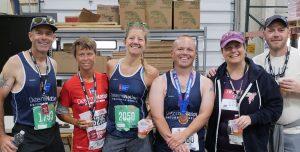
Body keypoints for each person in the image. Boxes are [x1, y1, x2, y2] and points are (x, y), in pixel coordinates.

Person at [205, 31, 283, 152]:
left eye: (237, 46)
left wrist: (253, 118)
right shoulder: (215, 79)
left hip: (252, 147)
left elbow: (275, 108)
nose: (233, 50)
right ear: (222, 52)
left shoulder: (261, 77)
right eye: (228, 48)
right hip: (219, 147)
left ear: (244, 47)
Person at [0, 16, 65, 152]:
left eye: (48, 34)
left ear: (53, 37)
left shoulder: (53, 63)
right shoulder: (15, 63)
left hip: (52, 132)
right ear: (30, 36)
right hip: (27, 135)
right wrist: (1, 136)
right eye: (39, 32)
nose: (44, 37)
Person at [149, 35, 215, 152]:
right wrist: (174, 144)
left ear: (195, 55)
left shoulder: (206, 83)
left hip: (193, 146)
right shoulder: (159, 82)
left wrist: (183, 136)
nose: (185, 53)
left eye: (189, 49)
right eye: (180, 49)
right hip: (166, 146)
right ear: (172, 54)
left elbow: (204, 115)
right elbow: (157, 116)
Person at [102, 22, 159, 152]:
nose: (135, 42)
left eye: (140, 39)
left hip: (139, 137)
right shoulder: (111, 66)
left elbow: (156, 105)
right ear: (125, 41)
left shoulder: (151, 73)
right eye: (131, 38)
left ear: (145, 43)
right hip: (113, 135)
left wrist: (149, 121)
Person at [252, 15, 300, 152]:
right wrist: (214, 72)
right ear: (263, 34)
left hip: (295, 134)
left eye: (280, 30)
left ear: (288, 32)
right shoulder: (256, 62)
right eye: (271, 30)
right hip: (263, 133)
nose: (276, 34)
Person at [56, 37, 109, 151]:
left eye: (89, 54)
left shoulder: (105, 80)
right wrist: (75, 122)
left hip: (107, 145)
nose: (86, 58)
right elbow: (60, 112)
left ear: (95, 55)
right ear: (76, 57)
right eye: (81, 54)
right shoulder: (69, 85)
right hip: (82, 146)